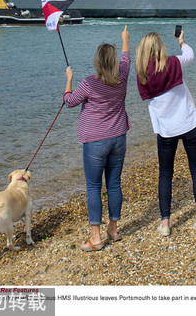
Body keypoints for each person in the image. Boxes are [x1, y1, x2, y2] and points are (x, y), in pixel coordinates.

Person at [64, 26, 132, 251]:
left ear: (97, 62)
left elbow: (69, 102)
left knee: (94, 186)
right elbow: (126, 58)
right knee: (114, 183)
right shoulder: (122, 76)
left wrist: (69, 80)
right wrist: (125, 38)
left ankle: (96, 237)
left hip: (95, 141)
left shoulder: (88, 83)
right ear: (113, 62)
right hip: (118, 137)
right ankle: (113, 229)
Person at [136, 29, 196, 237]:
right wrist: (182, 42)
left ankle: (166, 223)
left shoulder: (143, 75)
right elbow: (190, 55)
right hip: (190, 123)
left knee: (165, 174)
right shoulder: (173, 63)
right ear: (160, 47)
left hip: (166, 130)